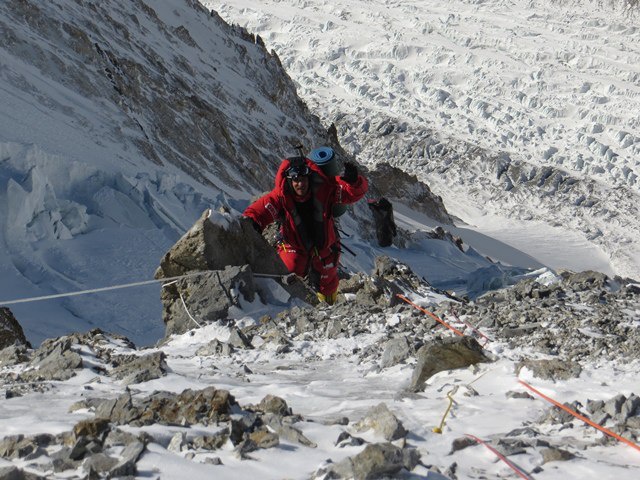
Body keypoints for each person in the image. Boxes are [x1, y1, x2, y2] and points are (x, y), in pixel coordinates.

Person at [243, 152, 368, 304]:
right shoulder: (280, 196)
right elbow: (259, 211)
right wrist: (251, 223)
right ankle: (293, 308)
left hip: (325, 247)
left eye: (303, 179)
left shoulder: (326, 188)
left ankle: (329, 307)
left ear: (309, 178)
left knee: (328, 281)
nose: (300, 184)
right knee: (288, 273)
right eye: (296, 180)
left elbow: (351, 193)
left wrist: (354, 182)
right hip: (294, 246)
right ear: (289, 180)